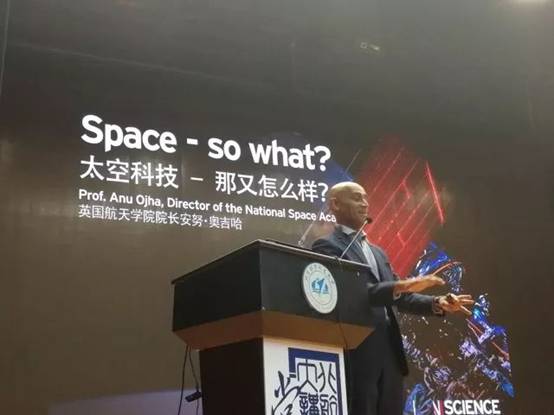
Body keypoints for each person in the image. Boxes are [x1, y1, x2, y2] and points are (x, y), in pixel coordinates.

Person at [311, 182, 473, 415]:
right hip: (358, 352)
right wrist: (401, 285)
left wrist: (437, 303)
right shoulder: (327, 247)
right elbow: (353, 293)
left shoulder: (378, 253)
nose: (364, 203)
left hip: (391, 352)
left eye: (365, 198)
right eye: (356, 198)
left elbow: (400, 297)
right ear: (335, 204)